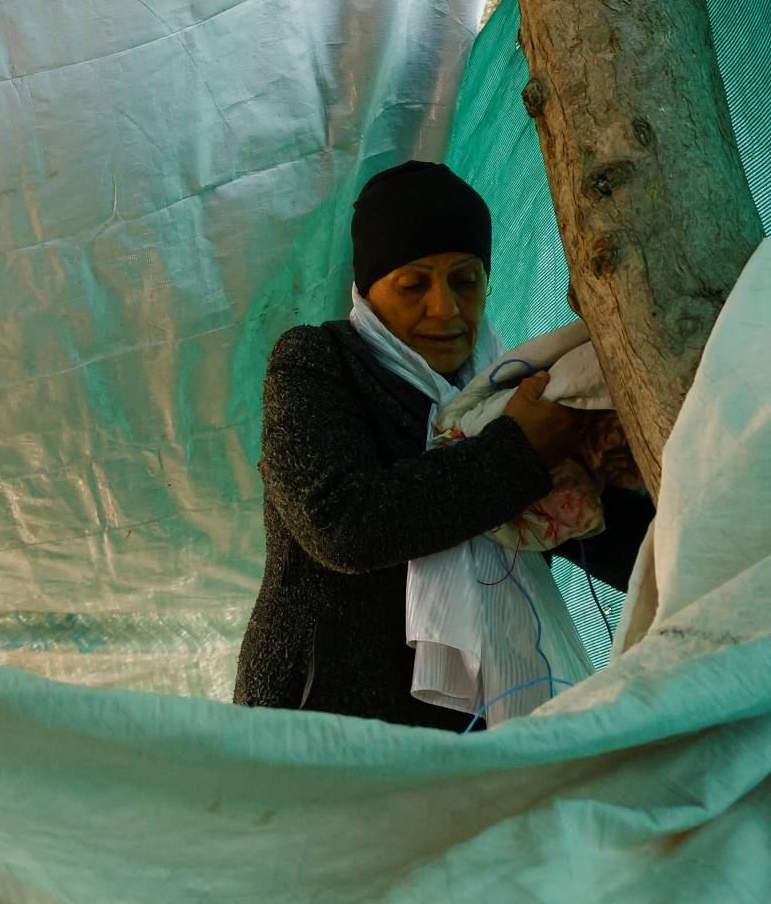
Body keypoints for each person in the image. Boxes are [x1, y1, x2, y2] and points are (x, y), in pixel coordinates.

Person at [233, 161, 653, 729]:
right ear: (369, 289)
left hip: (475, 724)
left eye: (465, 280)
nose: (445, 308)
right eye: (414, 285)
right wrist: (521, 449)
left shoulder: (512, 388)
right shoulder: (318, 361)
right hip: (322, 723)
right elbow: (343, 525)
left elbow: (621, 544)